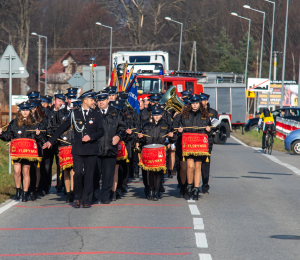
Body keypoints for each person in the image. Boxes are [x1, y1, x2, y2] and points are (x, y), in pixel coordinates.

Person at [43, 89, 105, 208]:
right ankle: (78, 196)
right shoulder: (74, 114)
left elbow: (101, 131)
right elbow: (62, 128)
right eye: (92, 100)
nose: (94, 102)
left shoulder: (96, 114)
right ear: (85, 101)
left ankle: (86, 200)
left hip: (91, 150)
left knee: (89, 175)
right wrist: (51, 141)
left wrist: (91, 137)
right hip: (78, 149)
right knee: (78, 173)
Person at [0, 101, 42, 202]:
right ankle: (18, 190)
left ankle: (25, 193)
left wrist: (38, 134)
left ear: (29, 111)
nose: (25, 112)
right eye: (23, 110)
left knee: (26, 171)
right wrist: (1, 134)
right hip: (17, 151)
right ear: (20, 111)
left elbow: (40, 139)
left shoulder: (34, 123)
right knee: (17, 172)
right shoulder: (14, 123)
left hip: (28, 152)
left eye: (27, 110)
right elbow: (8, 136)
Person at [93, 91, 126, 204]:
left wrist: (118, 136)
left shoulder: (116, 112)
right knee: (95, 174)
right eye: (99, 100)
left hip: (110, 148)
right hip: (95, 149)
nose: (101, 102)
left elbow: (122, 128)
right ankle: (95, 195)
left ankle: (106, 196)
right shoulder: (93, 113)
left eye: (103, 100)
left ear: (108, 100)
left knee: (108, 174)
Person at [178, 94, 211, 200]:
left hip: (200, 145)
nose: (195, 105)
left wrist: (209, 130)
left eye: (197, 103)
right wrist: (180, 130)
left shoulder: (205, 116)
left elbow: (210, 131)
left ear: (199, 104)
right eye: (193, 103)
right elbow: (180, 128)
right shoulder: (185, 115)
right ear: (190, 104)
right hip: (189, 145)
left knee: (198, 167)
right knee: (190, 166)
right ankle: (189, 187)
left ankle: (196, 190)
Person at [138, 107, 175, 201]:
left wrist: (172, 136)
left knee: (158, 173)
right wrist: (140, 137)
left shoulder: (166, 125)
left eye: (158, 115)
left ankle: (156, 192)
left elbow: (172, 139)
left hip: (160, 151)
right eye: (155, 115)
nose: (156, 117)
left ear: (161, 115)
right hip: (149, 150)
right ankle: (150, 190)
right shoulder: (146, 125)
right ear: (152, 115)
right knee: (150, 172)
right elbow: (142, 141)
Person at [200, 93, 219, 195]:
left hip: (208, 140)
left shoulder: (213, 112)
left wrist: (211, 129)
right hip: (197, 140)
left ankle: (205, 186)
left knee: (205, 164)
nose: (201, 102)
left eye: (203, 100)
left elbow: (217, 126)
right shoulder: (196, 112)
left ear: (206, 101)